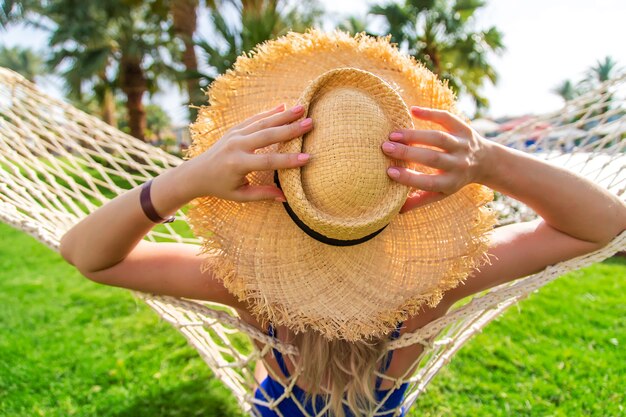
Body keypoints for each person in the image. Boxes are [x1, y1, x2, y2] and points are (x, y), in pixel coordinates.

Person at [59, 32, 626, 417]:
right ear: (401, 188)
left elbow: (86, 253)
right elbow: (603, 224)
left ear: (276, 181)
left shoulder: (246, 285)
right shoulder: (433, 286)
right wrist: (491, 162)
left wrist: (185, 181)